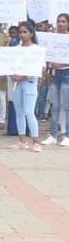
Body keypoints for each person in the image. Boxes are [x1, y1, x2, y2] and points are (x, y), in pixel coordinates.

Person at [10, 22, 43, 152]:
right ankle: (22, 140)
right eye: (20, 32)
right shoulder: (16, 49)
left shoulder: (37, 50)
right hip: (16, 84)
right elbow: (10, 65)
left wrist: (22, 77)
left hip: (29, 84)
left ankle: (36, 141)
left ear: (31, 33)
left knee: (29, 112)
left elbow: (37, 69)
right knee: (19, 112)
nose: (22, 35)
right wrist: (12, 74)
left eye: (25, 32)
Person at [41, 13, 69, 146]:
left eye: (63, 21)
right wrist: (46, 72)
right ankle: (52, 135)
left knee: (67, 106)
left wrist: (62, 64)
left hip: (67, 74)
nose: (61, 24)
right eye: (59, 21)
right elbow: (46, 56)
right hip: (54, 75)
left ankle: (67, 136)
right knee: (55, 106)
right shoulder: (52, 38)